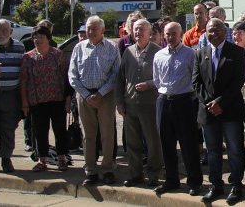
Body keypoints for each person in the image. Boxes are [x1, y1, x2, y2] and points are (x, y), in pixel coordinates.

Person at [193, 19, 245, 205]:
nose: (213, 34)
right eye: (209, 31)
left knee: (234, 150)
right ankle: (215, 185)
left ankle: (236, 185)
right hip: (208, 112)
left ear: (225, 32)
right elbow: (196, 82)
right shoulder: (200, 54)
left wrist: (221, 103)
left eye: (217, 30)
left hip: (230, 110)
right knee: (213, 152)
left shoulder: (237, 52)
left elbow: (238, 81)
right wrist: (210, 103)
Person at [68, 16, 120, 186]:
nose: (90, 32)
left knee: (107, 135)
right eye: (88, 28)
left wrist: (100, 93)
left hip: (105, 96)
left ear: (102, 30)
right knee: (88, 136)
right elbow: (72, 75)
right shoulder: (79, 48)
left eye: (94, 28)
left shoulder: (112, 47)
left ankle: (107, 169)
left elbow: (116, 74)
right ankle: (90, 170)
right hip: (84, 97)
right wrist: (85, 94)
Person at [152, 22, 203, 196]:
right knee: (166, 144)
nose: (170, 37)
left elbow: (196, 82)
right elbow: (157, 80)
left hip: (184, 103)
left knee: (188, 145)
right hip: (163, 102)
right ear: (163, 35)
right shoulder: (158, 55)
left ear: (180, 34)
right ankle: (171, 180)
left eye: (174, 33)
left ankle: (195, 182)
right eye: (168, 34)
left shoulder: (190, 54)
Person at [116, 19, 163, 187]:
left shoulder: (158, 52)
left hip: (149, 104)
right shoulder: (127, 52)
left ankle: (154, 173)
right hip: (130, 105)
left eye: (142, 29)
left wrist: (148, 84)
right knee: (132, 142)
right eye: (136, 30)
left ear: (149, 32)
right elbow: (120, 79)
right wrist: (119, 102)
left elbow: (162, 79)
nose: (138, 33)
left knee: (152, 142)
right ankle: (135, 174)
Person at [20, 25, 72, 172]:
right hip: (37, 101)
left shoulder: (57, 54)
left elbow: (66, 77)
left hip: (57, 100)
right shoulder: (28, 57)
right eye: (35, 37)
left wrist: (68, 99)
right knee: (40, 131)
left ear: (48, 39)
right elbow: (23, 81)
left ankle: (62, 159)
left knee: (59, 130)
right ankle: (42, 160)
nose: (37, 40)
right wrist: (24, 103)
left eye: (41, 37)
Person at [0, 19, 26, 173]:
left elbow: (22, 70)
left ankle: (6, 159)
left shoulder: (19, 47)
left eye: (4, 30)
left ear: (11, 32)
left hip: (10, 94)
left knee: (8, 128)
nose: (1, 33)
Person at [21, 19, 56, 153]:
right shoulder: (26, 44)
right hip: (33, 92)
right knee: (29, 119)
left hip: (50, 94)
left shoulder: (53, 47)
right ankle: (29, 141)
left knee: (43, 125)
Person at [232, 20, 245, 172]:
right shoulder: (239, 51)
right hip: (239, 94)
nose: (236, 37)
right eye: (234, 34)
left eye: (240, 34)